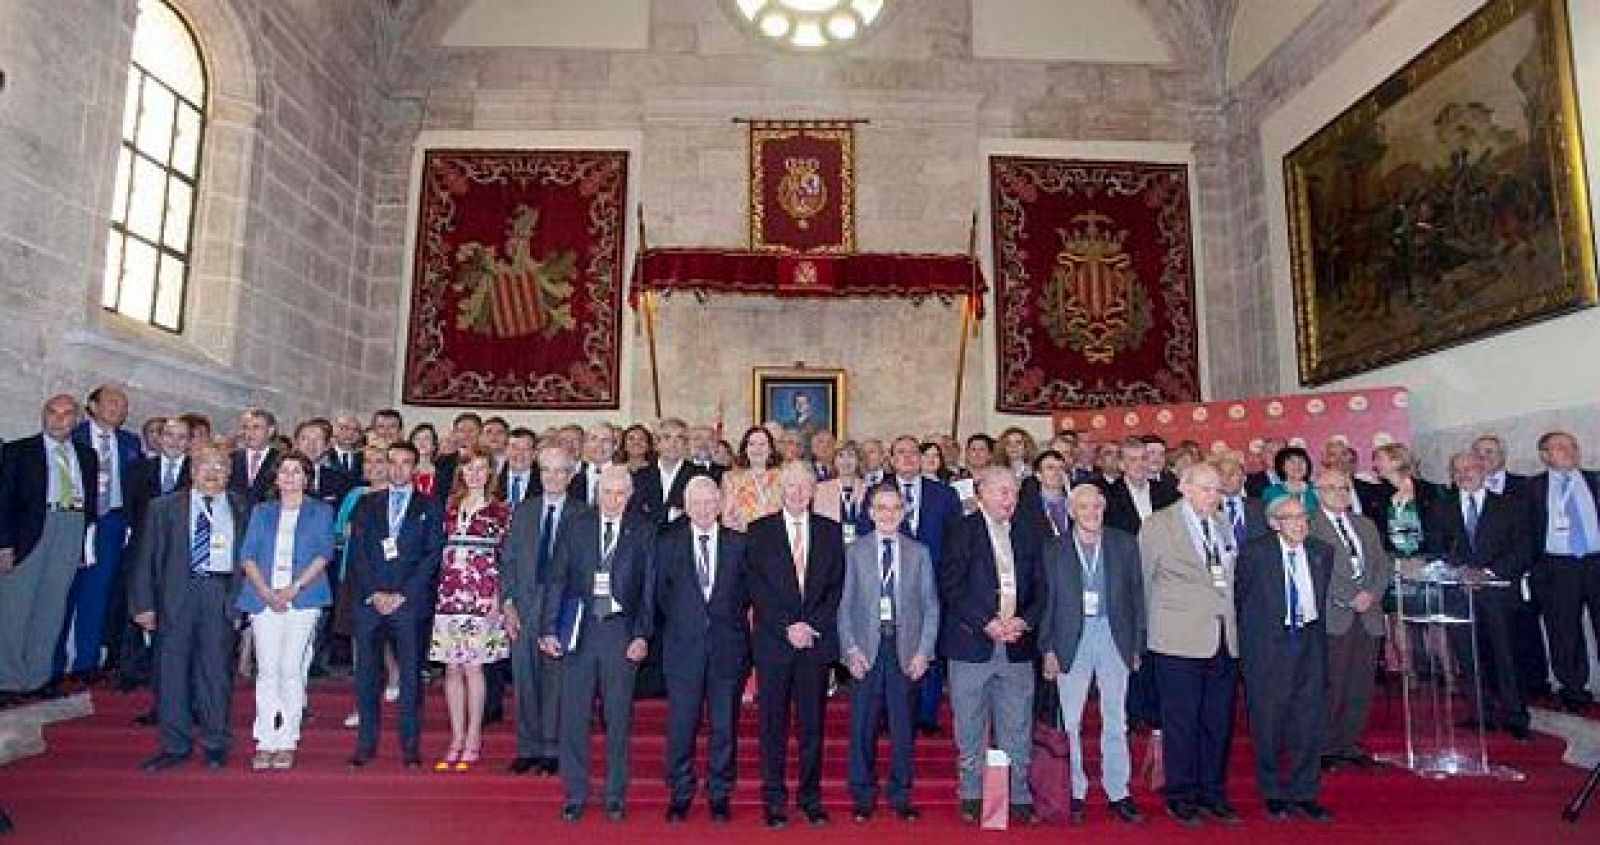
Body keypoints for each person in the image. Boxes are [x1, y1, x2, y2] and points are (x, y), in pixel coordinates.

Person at [540, 465, 654, 822]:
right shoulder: (576, 526)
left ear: (629, 496)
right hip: (580, 629)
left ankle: (615, 794)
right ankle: (575, 792)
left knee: (618, 718)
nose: (613, 500)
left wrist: (642, 635)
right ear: (597, 493)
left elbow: (649, 589)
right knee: (574, 715)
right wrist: (549, 629)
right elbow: (557, 579)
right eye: (607, 492)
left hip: (620, 632)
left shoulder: (643, 530)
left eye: (621, 494)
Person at [129, 445, 245, 771]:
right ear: (192, 471)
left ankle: (215, 743)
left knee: (215, 673)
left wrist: (242, 602)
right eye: (206, 465)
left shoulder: (242, 506)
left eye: (220, 466)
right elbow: (145, 556)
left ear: (229, 473)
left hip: (220, 594)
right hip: (175, 595)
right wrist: (143, 604)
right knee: (171, 672)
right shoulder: (163, 507)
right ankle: (175, 745)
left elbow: (249, 558)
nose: (213, 472)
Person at [940, 467, 1044, 825]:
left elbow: (1043, 588)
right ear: (980, 492)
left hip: (1017, 645)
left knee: (1018, 726)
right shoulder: (961, 530)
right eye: (1002, 491)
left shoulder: (1030, 531)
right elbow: (951, 585)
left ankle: (1018, 794)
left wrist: (1023, 621)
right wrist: (986, 622)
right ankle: (971, 792)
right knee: (969, 727)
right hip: (972, 644)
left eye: (1013, 492)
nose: (1009, 499)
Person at [1038, 483, 1145, 825]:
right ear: (1071, 512)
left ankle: (1118, 791)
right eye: (1083, 507)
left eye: (1096, 506)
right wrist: (1048, 648)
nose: (1091, 513)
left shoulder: (1124, 544)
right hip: (1071, 638)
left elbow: (1138, 596)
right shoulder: (1054, 549)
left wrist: (1136, 645)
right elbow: (1046, 602)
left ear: (1104, 508)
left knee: (1116, 718)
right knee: (1070, 720)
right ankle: (1074, 790)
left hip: (1114, 636)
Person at [1139, 462, 1239, 827]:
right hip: (1176, 637)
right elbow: (1143, 581)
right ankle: (1180, 794)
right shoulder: (1158, 525)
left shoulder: (1223, 523)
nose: (1213, 496)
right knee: (1180, 721)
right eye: (1206, 488)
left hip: (1223, 637)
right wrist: (1145, 636)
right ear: (1184, 487)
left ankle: (1213, 791)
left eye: (1217, 489)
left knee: (1218, 721)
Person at [746, 462, 844, 829]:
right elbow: (755, 586)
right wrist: (787, 626)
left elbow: (836, 586)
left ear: (814, 491)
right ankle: (773, 800)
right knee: (772, 725)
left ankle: (810, 798)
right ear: (781, 489)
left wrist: (810, 625)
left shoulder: (830, 531)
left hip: (814, 643)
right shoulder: (760, 531)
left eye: (805, 486)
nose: (798, 492)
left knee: (811, 726)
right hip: (775, 642)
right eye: (791, 486)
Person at [839, 485, 937, 822]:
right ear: (870, 512)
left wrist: (924, 652)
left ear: (903, 513)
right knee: (862, 727)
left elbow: (931, 606)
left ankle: (900, 795)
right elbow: (843, 606)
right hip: (865, 650)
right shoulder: (854, 552)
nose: (888, 514)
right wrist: (849, 649)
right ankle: (862, 795)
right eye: (881, 508)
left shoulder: (919, 553)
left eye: (895, 508)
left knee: (903, 727)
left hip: (904, 649)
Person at [657, 477, 750, 825]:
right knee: (681, 726)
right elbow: (661, 595)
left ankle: (719, 793)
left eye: (710, 502)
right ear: (685, 506)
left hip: (728, 649)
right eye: (696, 503)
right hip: (683, 648)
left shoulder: (740, 544)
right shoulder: (667, 544)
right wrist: (689, 620)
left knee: (724, 727)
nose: (704, 509)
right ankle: (680, 793)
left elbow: (748, 593)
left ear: (720, 504)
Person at [1235, 495, 1334, 823]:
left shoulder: (1321, 552)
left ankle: (1305, 792)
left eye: (1303, 516)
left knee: (1308, 719)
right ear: (1274, 523)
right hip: (1267, 648)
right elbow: (1240, 599)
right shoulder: (1255, 553)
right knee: (1268, 721)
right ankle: (1273, 792)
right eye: (1290, 518)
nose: (1299, 523)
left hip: (1309, 642)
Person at [346, 443, 444, 769]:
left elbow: (433, 554)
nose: (399, 468)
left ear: (415, 468)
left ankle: (410, 747)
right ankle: (365, 745)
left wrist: (404, 594)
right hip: (370, 602)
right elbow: (357, 552)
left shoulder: (430, 506)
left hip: (409, 604)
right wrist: (375, 592)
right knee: (367, 676)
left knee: (411, 678)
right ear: (385, 466)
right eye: (393, 462)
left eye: (406, 463)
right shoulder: (366, 504)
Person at [235, 452, 335, 771]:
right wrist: (265, 591)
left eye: (297, 471)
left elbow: (324, 553)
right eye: (284, 471)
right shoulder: (262, 511)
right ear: (276, 478)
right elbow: (247, 555)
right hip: (263, 596)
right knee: (267, 670)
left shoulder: (321, 511)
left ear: (307, 478)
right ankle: (265, 739)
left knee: (291, 669)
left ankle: (288, 738)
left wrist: (293, 588)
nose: (290, 477)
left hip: (303, 598)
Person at [0, 395, 98, 704]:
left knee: (53, 607)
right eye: (52, 413)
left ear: (77, 420)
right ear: (43, 415)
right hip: (30, 530)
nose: (59, 419)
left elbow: (91, 500)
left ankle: (37, 678)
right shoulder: (19, 450)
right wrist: (4, 543)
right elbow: (4, 499)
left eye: (67, 414)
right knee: (14, 608)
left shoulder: (87, 455)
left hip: (71, 526)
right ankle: (8, 680)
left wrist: (84, 544)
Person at [1427, 451, 1531, 737]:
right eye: (1457, 470)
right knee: (1466, 655)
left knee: (1506, 655)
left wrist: (1487, 572)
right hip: (1458, 591)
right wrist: (1461, 571)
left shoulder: (1510, 505)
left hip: (1498, 592)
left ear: (1483, 470)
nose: (1464, 474)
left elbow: (1523, 548)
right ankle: (1480, 713)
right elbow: (1435, 547)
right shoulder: (1440, 508)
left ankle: (1515, 715)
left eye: (1470, 468)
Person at [864, 435, 962, 737]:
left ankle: (926, 713)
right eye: (901, 452)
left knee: (928, 645)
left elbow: (957, 543)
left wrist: (949, 583)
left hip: (935, 583)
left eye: (913, 452)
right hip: (888, 584)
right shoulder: (875, 493)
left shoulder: (944, 494)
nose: (908, 457)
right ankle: (887, 713)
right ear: (891, 459)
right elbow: (866, 540)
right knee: (889, 650)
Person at [503, 446, 584, 776]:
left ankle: (552, 749)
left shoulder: (583, 514)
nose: (552, 477)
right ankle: (527, 748)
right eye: (546, 470)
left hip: (562, 605)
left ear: (570, 475)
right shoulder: (524, 511)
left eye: (560, 471)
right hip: (525, 604)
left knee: (556, 680)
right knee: (525, 678)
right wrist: (507, 603)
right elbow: (508, 560)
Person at [429, 450, 511, 771]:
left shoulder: (501, 510)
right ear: (461, 473)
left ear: (490, 473)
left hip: (483, 594)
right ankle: (456, 736)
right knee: (452, 668)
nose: (475, 474)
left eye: (481, 468)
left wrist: (500, 597)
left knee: (475, 668)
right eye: (469, 468)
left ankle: (474, 735)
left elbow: (507, 557)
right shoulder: (449, 506)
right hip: (449, 594)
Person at [1308, 467, 1394, 767]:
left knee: (1360, 683)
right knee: (1332, 683)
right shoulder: (1310, 525)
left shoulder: (1364, 524)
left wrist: (1372, 594)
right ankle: (1323, 746)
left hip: (1368, 614)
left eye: (1344, 488)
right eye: (1332, 488)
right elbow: (1317, 569)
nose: (1340, 493)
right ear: (1318, 492)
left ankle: (1349, 742)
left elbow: (1382, 565)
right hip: (1334, 615)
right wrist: (1349, 597)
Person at [64, 384, 142, 684]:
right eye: (112, 402)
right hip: (76, 521)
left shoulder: (130, 442)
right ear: (93, 406)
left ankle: (86, 663)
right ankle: (54, 666)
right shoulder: (74, 436)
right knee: (63, 594)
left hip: (112, 523)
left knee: (98, 596)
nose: (118, 408)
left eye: (123, 404)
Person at [1527, 431, 1600, 712]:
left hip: (1596, 562)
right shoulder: (1532, 488)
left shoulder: (1595, 480)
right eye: (1560, 447)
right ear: (1544, 455)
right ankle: (1574, 691)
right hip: (1557, 567)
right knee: (1564, 632)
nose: (1570, 451)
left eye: (1573, 446)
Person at [1472, 434, 1548, 700]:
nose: (1483, 458)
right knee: (1488, 637)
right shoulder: (1467, 489)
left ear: (1503, 456)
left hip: (1521, 572)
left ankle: (1535, 684)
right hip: (1483, 578)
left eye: (1489, 452)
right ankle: (1496, 687)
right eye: (1478, 453)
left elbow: (1535, 527)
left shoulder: (1526, 486)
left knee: (1526, 631)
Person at [631, 418, 704, 528]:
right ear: (657, 444)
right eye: (667, 438)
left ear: (686, 444)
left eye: (679, 438)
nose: (673, 444)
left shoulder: (699, 475)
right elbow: (636, 511)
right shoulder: (641, 476)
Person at [1104, 436, 1180, 535]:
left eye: (1143, 458)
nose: (1140, 464)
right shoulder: (1108, 495)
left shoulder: (1167, 492)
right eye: (1133, 460)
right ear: (1121, 465)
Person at [721, 426, 782, 532]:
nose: (757, 449)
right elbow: (727, 518)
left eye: (762, 444)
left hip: (777, 535)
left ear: (770, 449)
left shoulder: (783, 477)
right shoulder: (731, 479)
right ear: (745, 449)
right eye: (752, 444)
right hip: (745, 536)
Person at [813, 440, 868, 544]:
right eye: (841, 455)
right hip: (830, 545)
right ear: (834, 460)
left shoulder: (868, 489)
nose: (845, 461)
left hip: (862, 546)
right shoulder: (820, 490)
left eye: (851, 455)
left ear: (859, 460)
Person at [229, 409, 281, 508]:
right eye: (246, 427)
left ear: (270, 431)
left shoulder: (280, 460)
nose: (250, 433)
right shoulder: (231, 458)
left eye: (256, 427)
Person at [1018, 449, 1072, 540]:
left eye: (1061, 468)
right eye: (1050, 468)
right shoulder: (1026, 508)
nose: (1057, 472)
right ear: (1038, 475)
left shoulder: (1075, 503)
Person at [1262, 446, 1319, 513]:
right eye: (1292, 462)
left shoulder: (1316, 490)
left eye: (1302, 461)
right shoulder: (1271, 492)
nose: (1298, 465)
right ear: (1282, 466)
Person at [408, 423, 440, 495]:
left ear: (434, 446)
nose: (421, 442)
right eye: (417, 439)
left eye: (426, 438)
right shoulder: (404, 472)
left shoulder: (443, 474)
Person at [331, 413, 366, 477]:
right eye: (345, 428)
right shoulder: (325, 457)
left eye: (355, 430)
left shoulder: (365, 458)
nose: (350, 433)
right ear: (334, 431)